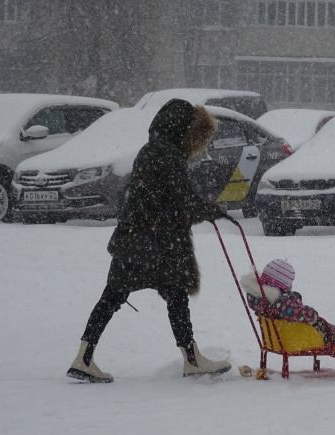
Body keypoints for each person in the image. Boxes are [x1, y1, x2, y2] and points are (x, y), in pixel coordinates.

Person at [67, 99, 234, 383]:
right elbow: (182, 199)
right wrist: (213, 210)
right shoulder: (167, 154)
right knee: (171, 297)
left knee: (119, 296)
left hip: (137, 238)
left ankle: (84, 356)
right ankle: (191, 360)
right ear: (183, 129)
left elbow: (162, 197)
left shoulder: (151, 149)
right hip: (157, 242)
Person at [239, 259, 335, 364]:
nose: (291, 285)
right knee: (333, 332)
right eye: (289, 282)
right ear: (281, 284)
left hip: (280, 337)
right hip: (296, 337)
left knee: (330, 331)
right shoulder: (282, 302)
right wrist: (311, 314)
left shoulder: (259, 298)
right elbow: (296, 312)